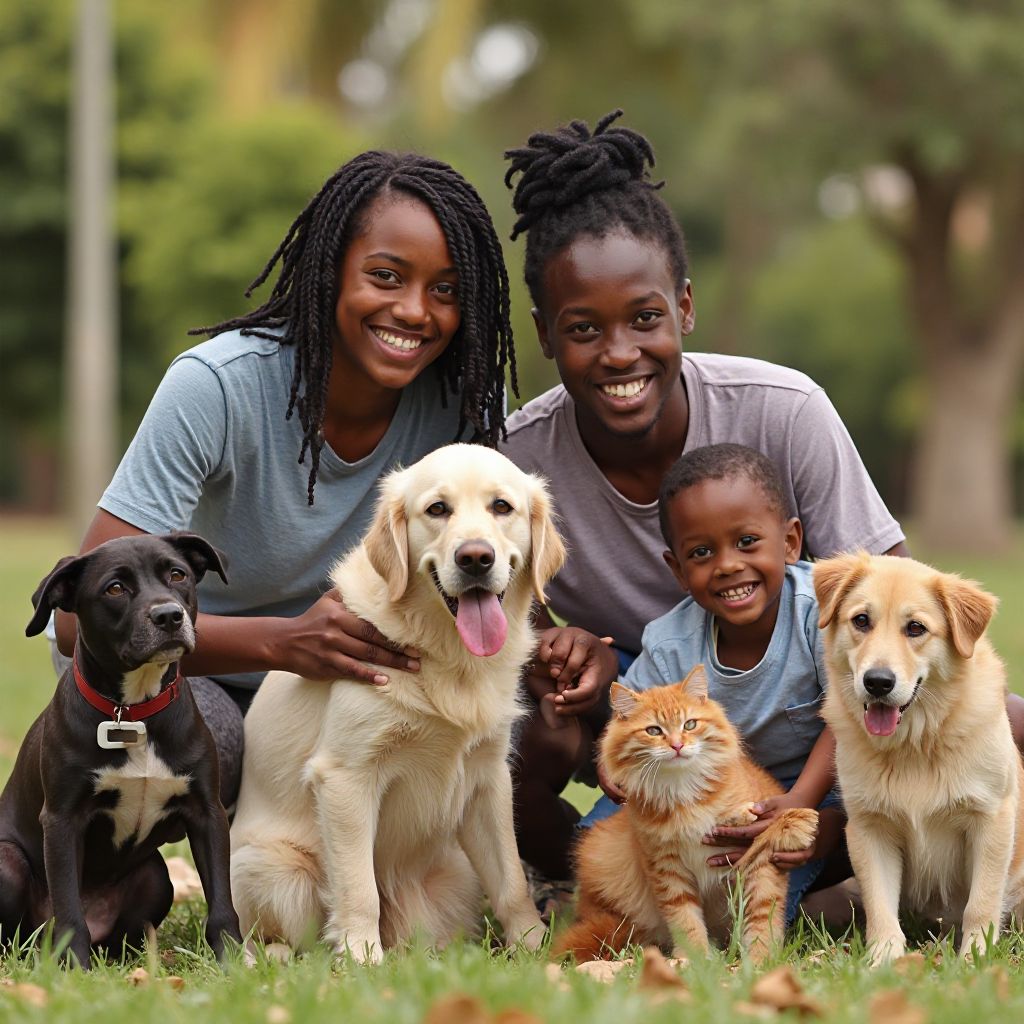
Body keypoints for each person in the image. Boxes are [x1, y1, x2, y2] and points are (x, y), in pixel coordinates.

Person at [499, 111, 909, 893]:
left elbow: (899, 605)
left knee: (991, 709)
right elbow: (503, 635)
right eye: (584, 330)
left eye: (645, 319)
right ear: (546, 335)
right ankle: (577, 881)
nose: (620, 353)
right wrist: (564, 649)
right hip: (658, 721)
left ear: (684, 307)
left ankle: (847, 848)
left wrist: (819, 811)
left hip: (812, 699)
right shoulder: (517, 467)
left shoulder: (784, 410)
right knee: (516, 732)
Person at [52, 150, 518, 804]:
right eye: (385, 276)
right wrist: (283, 643)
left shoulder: (466, 401)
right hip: (185, 671)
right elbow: (75, 625)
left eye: (446, 290)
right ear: (329, 273)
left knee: (524, 720)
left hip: (347, 678)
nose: (416, 311)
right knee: (215, 743)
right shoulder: (216, 386)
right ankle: (130, 854)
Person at [612, 443, 845, 926]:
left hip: (818, 790)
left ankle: (836, 870)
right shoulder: (669, 643)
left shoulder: (821, 614)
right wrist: (617, 773)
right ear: (677, 569)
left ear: (790, 542)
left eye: (747, 542)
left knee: (774, 870)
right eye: (701, 553)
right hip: (702, 789)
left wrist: (801, 803)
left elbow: (846, 716)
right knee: (603, 837)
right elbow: (626, 723)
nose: (727, 565)